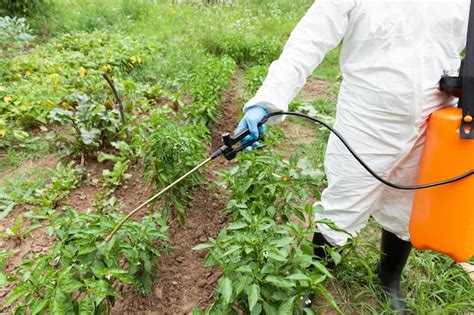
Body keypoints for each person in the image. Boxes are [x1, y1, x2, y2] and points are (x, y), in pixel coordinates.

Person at [235, 0, 469, 313]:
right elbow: (309, 40)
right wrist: (267, 99)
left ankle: (389, 278)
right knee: (344, 203)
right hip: (367, 118)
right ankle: (312, 279)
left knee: (407, 204)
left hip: (435, 118)